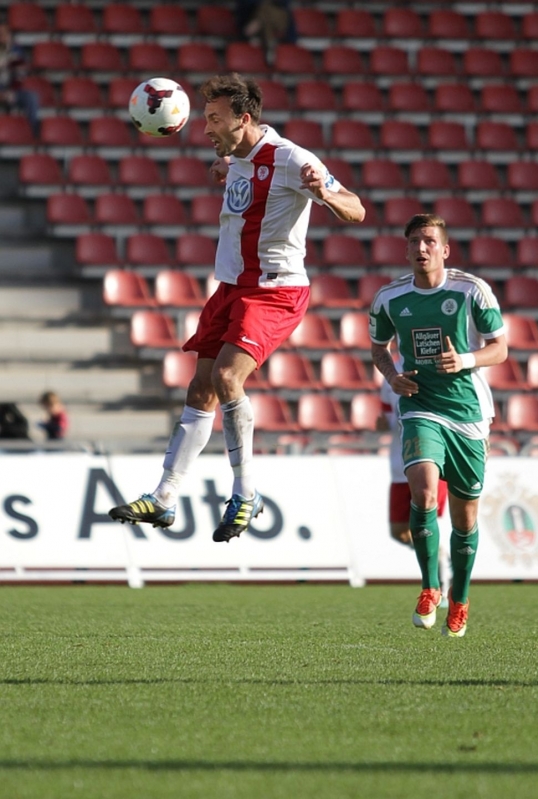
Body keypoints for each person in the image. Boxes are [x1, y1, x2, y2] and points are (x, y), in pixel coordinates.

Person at [109, 72, 366, 542]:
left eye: (214, 118)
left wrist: (326, 193)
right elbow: (243, 185)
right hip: (229, 287)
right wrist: (227, 170)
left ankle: (246, 494)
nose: (205, 127)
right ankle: (164, 498)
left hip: (273, 290)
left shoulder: (291, 158)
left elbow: (357, 208)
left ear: (244, 119)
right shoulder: (237, 158)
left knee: (228, 377)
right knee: (200, 390)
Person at [370, 213, 507, 638]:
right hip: (420, 404)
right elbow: (378, 347)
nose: (422, 248)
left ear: (445, 249)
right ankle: (430, 587)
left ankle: (459, 598)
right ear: (406, 249)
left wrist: (464, 359)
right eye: (415, 241)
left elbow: (500, 348)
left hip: (468, 413)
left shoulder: (471, 291)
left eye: (430, 241)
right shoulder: (389, 298)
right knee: (425, 492)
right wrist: (392, 377)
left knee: (465, 520)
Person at [377, 378, 450, 606]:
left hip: (431, 460)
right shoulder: (389, 375)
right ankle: (439, 554)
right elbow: (388, 417)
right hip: (400, 465)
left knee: (428, 522)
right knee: (399, 532)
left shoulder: (429, 367)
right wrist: (382, 423)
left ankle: (439, 586)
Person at [0, 23, 40, 137]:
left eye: (4, 34)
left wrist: (11, 92)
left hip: (12, 90)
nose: (2, 37)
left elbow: (20, 74)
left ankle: (33, 134)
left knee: (32, 97)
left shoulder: (16, 49)